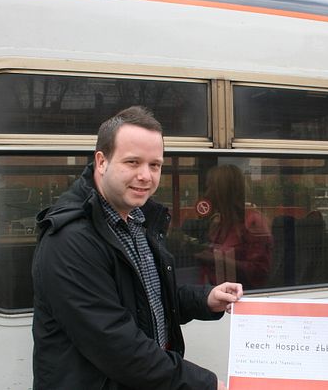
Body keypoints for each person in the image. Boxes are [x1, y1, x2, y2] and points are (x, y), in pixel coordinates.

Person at [32, 106, 242, 390]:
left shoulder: (137, 220)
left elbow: (148, 299)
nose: (146, 176)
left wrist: (205, 299)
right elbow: (117, 347)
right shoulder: (70, 240)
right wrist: (207, 384)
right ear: (101, 161)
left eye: (154, 165)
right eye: (132, 162)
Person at [191, 164, 273, 289]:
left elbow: (260, 271)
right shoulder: (220, 222)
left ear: (223, 192)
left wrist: (218, 261)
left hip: (241, 297)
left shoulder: (253, 222)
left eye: (210, 187)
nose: (207, 194)